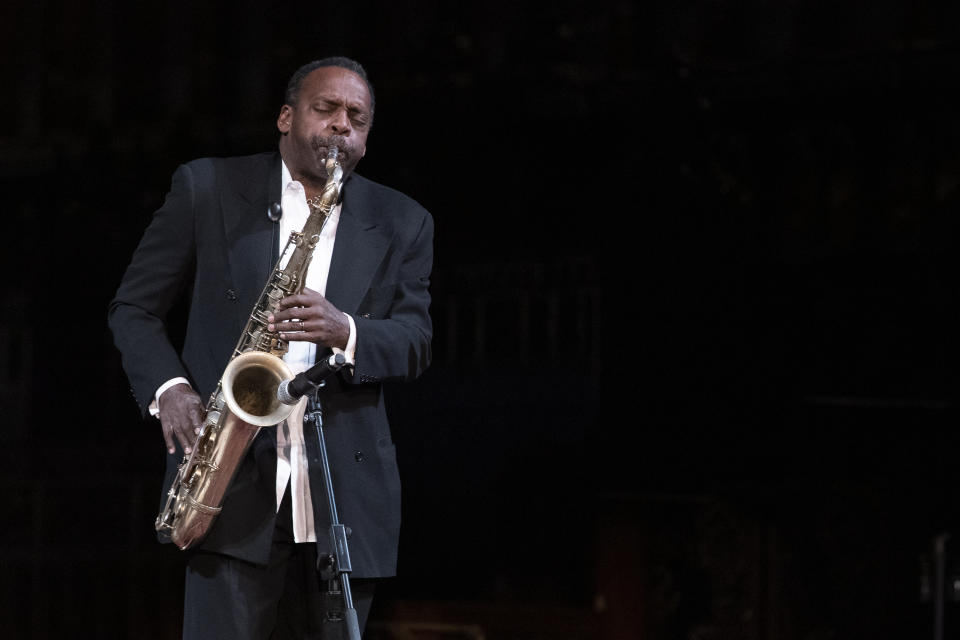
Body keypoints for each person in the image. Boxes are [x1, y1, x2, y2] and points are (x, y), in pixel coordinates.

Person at [108, 56, 433, 639]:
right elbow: (133, 308)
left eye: (356, 118)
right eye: (325, 109)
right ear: (286, 117)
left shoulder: (404, 219)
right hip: (230, 491)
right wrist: (170, 388)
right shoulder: (206, 186)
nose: (341, 126)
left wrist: (346, 330)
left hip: (342, 504)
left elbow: (415, 341)